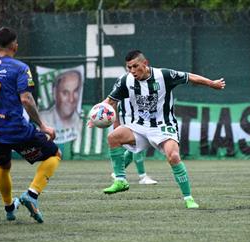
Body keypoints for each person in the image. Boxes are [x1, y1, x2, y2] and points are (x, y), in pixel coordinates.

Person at [89, 50, 225, 209]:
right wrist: (95, 117)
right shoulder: (126, 81)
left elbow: (190, 77)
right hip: (138, 126)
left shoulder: (164, 75)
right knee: (113, 137)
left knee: (173, 157)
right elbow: (110, 101)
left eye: (135, 66)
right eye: (129, 68)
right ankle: (120, 180)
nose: (132, 71)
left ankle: (188, 198)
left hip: (162, 126)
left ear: (145, 64)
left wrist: (212, 83)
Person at [0, 27, 61, 223]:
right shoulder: (20, 68)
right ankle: (31, 195)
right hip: (16, 128)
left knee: (3, 165)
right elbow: (26, 99)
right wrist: (42, 125)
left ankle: (9, 207)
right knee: (55, 154)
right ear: (15, 45)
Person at [110, 98, 158, 185]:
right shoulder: (123, 84)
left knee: (133, 147)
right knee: (137, 144)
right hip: (128, 117)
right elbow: (113, 101)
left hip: (139, 117)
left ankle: (116, 173)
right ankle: (142, 177)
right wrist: (115, 121)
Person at [41, 70, 83, 142]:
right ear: (54, 93)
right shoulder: (41, 119)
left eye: (75, 91)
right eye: (65, 93)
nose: (71, 99)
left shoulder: (84, 121)